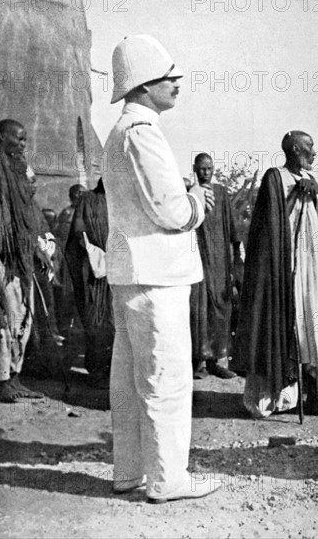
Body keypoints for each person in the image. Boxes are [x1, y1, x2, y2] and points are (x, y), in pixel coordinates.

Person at [102, 34, 222, 503]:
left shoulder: (121, 132)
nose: (177, 83)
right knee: (165, 379)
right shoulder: (143, 132)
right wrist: (197, 201)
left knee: (130, 381)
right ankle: (168, 478)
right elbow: (170, 212)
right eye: (169, 76)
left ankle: (130, 471)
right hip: (158, 276)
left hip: (132, 274)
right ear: (144, 84)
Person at [232, 131, 318, 417]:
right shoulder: (275, 177)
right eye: (309, 147)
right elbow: (270, 224)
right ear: (294, 149)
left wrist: (311, 189)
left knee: (309, 330)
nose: (314, 153)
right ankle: (273, 398)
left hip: (308, 269)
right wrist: (298, 192)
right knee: (279, 328)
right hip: (279, 269)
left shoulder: (310, 180)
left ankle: (309, 393)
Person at [0, 119, 52, 402]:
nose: (24, 144)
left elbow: (29, 215)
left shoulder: (18, 168)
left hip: (22, 256)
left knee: (24, 317)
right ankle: (0, 381)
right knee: (4, 318)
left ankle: (15, 377)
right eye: (19, 138)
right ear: (2, 136)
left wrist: (38, 247)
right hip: (1, 255)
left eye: (26, 139)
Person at [190, 153, 242, 380]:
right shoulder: (190, 195)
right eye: (202, 169)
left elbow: (232, 228)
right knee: (198, 310)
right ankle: (196, 361)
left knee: (220, 309)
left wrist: (237, 253)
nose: (206, 173)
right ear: (195, 169)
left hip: (220, 263)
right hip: (197, 262)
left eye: (209, 168)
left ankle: (215, 360)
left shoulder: (221, 193)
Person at [65, 178, 114, 388]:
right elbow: (78, 233)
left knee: (114, 322)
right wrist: (95, 253)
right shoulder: (88, 199)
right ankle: (95, 371)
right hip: (93, 273)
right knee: (96, 321)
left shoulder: (120, 199)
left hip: (115, 274)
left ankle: (110, 370)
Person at [55, 184, 86, 332]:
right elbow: (61, 236)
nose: (80, 196)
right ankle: (66, 326)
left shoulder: (86, 213)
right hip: (69, 259)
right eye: (78, 194)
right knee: (69, 293)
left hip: (83, 259)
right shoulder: (67, 213)